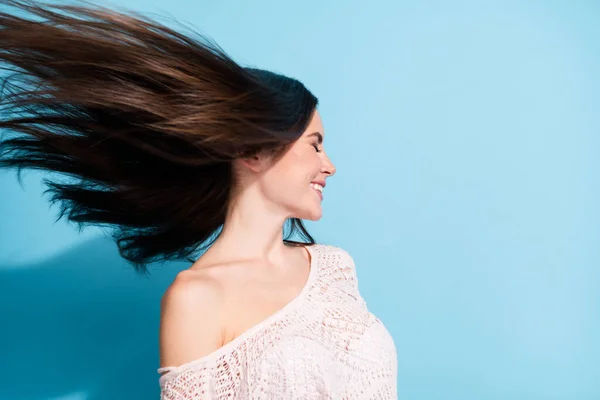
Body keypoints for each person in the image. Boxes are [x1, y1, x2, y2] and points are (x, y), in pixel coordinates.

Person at [0, 0, 398, 398]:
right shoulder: (196, 297)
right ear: (254, 152)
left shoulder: (334, 268)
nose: (329, 165)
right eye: (314, 145)